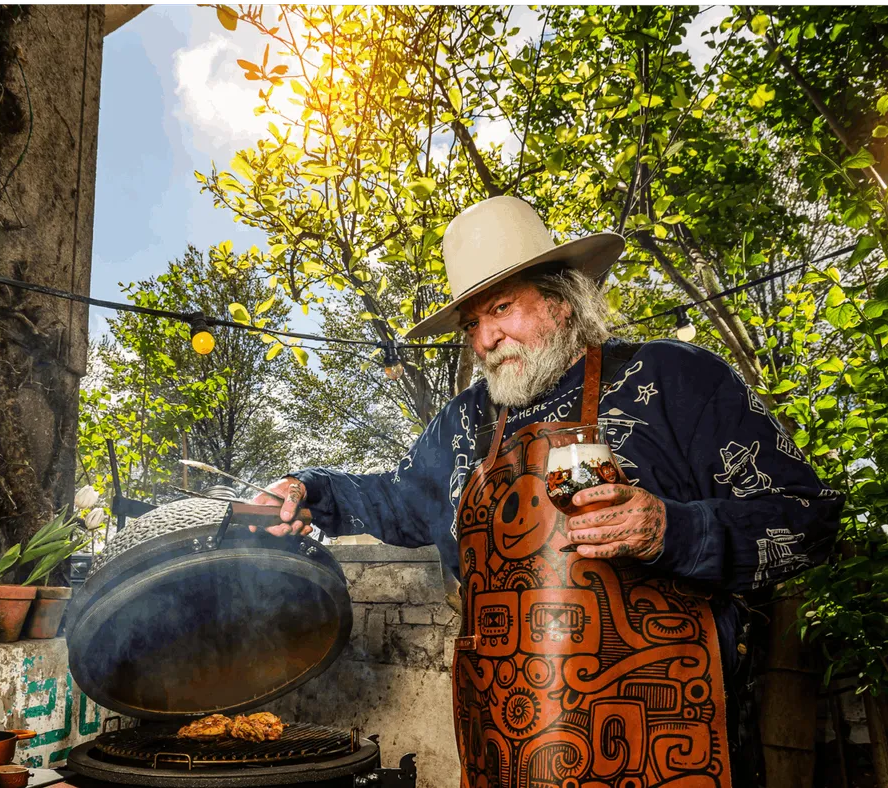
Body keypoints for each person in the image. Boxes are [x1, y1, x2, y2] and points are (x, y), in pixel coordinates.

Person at [253, 195, 842, 788]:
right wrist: (310, 491)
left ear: (561, 302)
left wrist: (672, 529)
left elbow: (808, 522)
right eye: (472, 323)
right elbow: (395, 501)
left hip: (673, 743)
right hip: (510, 741)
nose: (485, 337)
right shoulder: (462, 424)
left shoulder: (673, 378)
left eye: (502, 308)